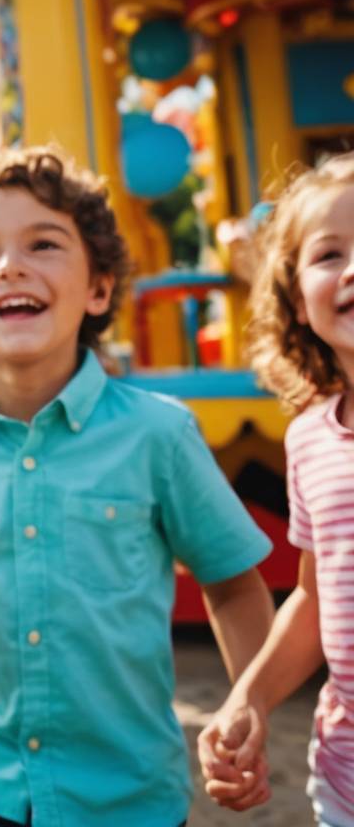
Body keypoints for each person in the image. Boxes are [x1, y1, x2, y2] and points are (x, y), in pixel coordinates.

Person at [0, 144, 275, 824]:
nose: (10, 265)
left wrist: (249, 704)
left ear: (98, 288)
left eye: (43, 243)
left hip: (129, 799)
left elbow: (232, 584)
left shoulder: (160, 435)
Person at [201, 153, 354, 817]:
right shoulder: (310, 439)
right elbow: (316, 600)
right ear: (298, 301)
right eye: (329, 254)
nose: (352, 268)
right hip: (344, 783)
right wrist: (251, 697)